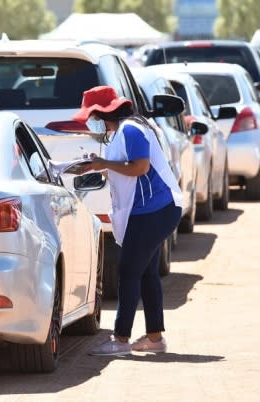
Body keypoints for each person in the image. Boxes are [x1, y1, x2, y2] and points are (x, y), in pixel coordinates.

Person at [72, 85, 183, 356]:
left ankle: (120, 340)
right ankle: (154, 338)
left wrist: (104, 165)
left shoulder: (130, 129)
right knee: (145, 274)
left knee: (128, 273)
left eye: (93, 115)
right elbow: (129, 169)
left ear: (101, 113)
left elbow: (140, 168)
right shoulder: (126, 129)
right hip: (153, 210)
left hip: (154, 211)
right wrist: (99, 164)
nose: (93, 121)